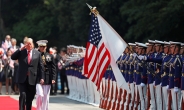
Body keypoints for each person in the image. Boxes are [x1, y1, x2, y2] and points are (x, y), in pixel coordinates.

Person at [11, 38, 44, 110]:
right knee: (22, 95)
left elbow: (40, 66)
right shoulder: (21, 52)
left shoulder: (37, 53)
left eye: (31, 43)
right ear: (25, 44)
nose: (30, 45)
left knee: (30, 97)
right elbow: (12, 57)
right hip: (22, 78)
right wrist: (20, 49)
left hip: (32, 78)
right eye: (28, 44)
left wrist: (42, 77)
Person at [36, 40, 56, 110]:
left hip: (47, 77)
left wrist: (53, 78)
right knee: (39, 95)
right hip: (38, 77)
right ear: (39, 47)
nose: (42, 48)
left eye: (44, 46)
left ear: (46, 47)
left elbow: (53, 68)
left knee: (46, 97)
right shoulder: (35, 55)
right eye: (41, 46)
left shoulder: (50, 56)